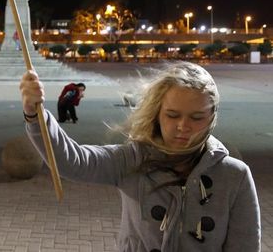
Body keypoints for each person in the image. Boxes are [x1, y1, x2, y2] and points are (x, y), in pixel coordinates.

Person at [20, 61, 260, 251]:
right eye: (172, 115)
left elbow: (245, 245)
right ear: (157, 113)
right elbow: (74, 161)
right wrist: (35, 114)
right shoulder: (133, 160)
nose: (183, 126)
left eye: (196, 117)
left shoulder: (234, 176)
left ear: (212, 117)